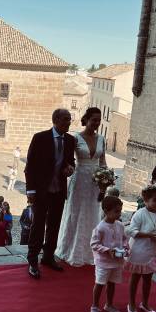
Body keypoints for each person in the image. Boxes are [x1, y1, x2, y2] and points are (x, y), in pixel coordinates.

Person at [25, 108, 76, 279]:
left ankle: (47, 257)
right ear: (55, 120)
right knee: (38, 226)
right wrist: (30, 190)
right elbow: (30, 165)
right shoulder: (40, 138)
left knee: (54, 226)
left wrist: (70, 168)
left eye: (69, 120)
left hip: (59, 190)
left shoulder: (70, 140)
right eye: (65, 120)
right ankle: (32, 260)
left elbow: (70, 161)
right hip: (41, 191)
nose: (68, 123)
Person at [56, 107, 106, 267]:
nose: (96, 123)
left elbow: (103, 162)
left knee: (93, 213)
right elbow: (68, 160)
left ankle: (90, 251)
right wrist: (68, 169)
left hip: (96, 182)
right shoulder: (75, 138)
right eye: (94, 120)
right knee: (76, 212)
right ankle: (70, 250)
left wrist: (104, 182)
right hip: (79, 179)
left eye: (99, 120)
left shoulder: (102, 139)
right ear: (87, 119)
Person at [125, 183, 156, 312]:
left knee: (148, 278)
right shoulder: (140, 214)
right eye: (155, 200)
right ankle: (131, 303)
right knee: (135, 277)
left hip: (152, 251)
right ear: (146, 200)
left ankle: (145, 303)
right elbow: (131, 231)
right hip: (139, 250)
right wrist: (149, 235)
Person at [90, 196, 128, 312]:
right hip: (104, 262)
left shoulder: (120, 225)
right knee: (100, 283)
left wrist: (126, 248)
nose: (119, 214)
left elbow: (124, 239)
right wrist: (107, 250)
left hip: (117, 261)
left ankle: (109, 304)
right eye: (116, 211)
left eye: (120, 211)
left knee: (112, 283)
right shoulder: (100, 228)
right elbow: (94, 244)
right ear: (106, 211)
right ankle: (95, 306)